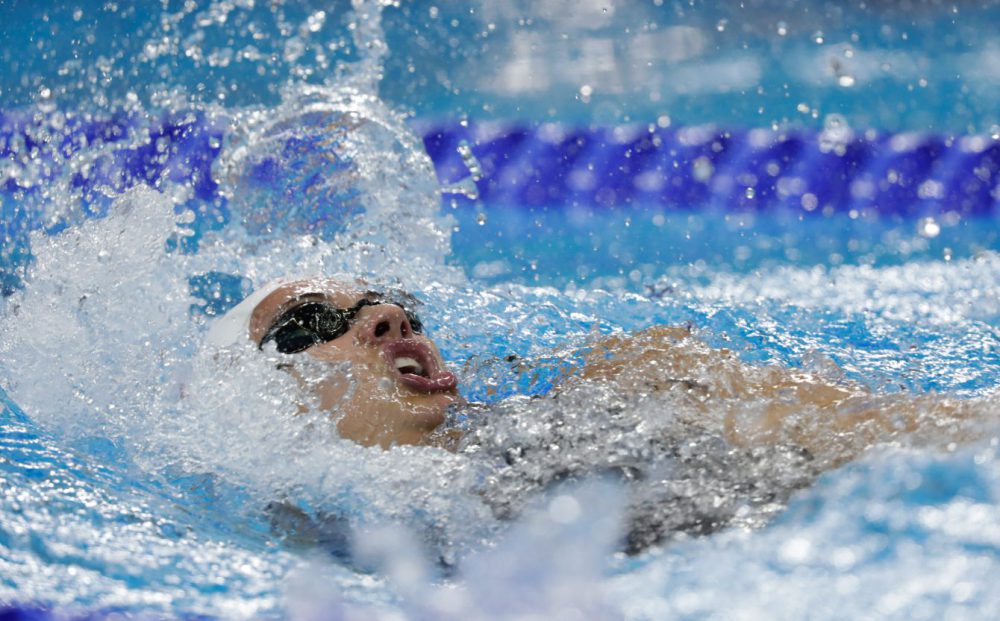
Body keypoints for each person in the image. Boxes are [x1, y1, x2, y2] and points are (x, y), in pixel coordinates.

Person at [206, 276, 991, 551]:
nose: (384, 319)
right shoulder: (308, 524)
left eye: (389, 303)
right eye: (311, 325)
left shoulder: (583, 401)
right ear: (254, 403)